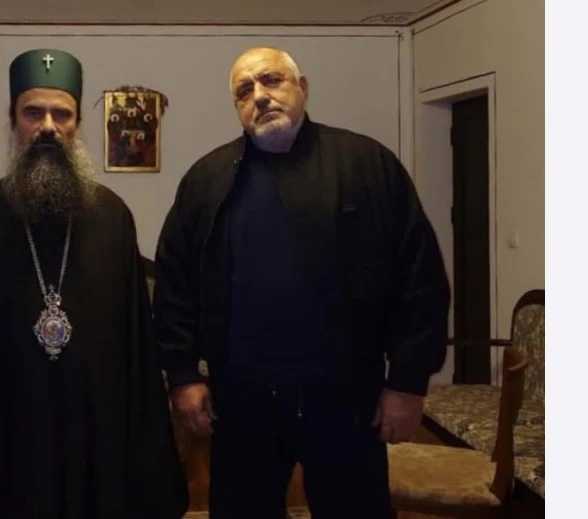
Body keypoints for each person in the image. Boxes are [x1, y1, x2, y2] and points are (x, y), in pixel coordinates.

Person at [152, 46, 450, 518]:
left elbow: (420, 278)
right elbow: (174, 285)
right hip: (242, 402)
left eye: (272, 80)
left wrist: (408, 383)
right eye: (244, 91)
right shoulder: (206, 180)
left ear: (302, 87)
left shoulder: (366, 164)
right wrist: (184, 375)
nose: (260, 96)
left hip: (347, 399)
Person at [0, 48, 188, 519]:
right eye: (34, 112)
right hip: (3, 443)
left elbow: (136, 351)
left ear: (76, 124)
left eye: (61, 114)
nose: (48, 126)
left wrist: (139, 462)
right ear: (12, 120)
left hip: (95, 445)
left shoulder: (113, 218)